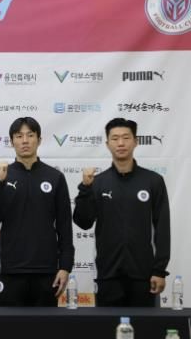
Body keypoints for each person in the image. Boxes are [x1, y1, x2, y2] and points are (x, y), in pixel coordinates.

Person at [73, 118, 170, 307]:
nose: (120, 143)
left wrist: (159, 270)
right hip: (108, 274)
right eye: (115, 138)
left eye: (126, 137)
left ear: (136, 141)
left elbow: (163, 227)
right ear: (107, 144)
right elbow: (83, 222)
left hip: (143, 275)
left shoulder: (153, 181)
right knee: (107, 326)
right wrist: (85, 189)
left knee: (145, 326)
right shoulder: (98, 182)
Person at [0, 117, 74, 306]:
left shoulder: (55, 177)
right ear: (12, 141)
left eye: (30, 135)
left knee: (46, 325)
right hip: (11, 270)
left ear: (39, 140)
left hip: (47, 271)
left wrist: (65, 266)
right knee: (9, 325)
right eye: (19, 136)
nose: (25, 141)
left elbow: (65, 226)